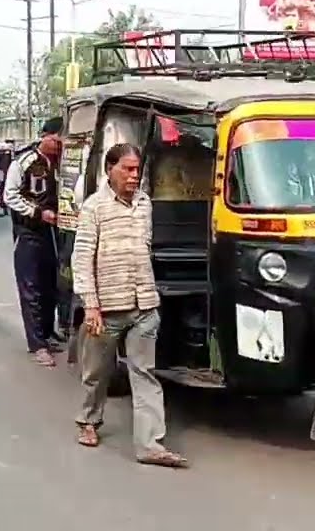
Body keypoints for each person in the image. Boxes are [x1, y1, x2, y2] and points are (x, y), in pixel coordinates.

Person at [71, 143, 187, 466]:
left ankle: (150, 445)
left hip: (144, 307)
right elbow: (81, 259)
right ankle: (88, 420)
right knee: (97, 373)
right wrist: (91, 306)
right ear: (110, 169)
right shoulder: (94, 208)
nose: (134, 176)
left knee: (145, 374)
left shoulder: (144, 205)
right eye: (128, 169)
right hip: (105, 309)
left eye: (138, 170)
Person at [4, 117, 63, 366]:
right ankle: (37, 344)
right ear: (46, 136)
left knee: (52, 285)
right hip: (29, 232)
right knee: (32, 288)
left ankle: (48, 333)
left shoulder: (63, 164)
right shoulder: (24, 162)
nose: (61, 143)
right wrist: (38, 213)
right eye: (57, 138)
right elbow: (10, 196)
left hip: (55, 233)